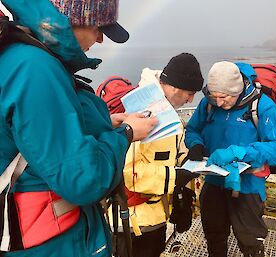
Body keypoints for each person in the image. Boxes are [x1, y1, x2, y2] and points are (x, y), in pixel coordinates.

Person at [0, 0, 158, 257]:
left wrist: (107, 121)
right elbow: (83, 180)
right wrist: (126, 134)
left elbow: (32, 137)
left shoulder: (19, 57)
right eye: (99, 27)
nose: (100, 39)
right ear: (73, 16)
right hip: (53, 246)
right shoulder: (36, 67)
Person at [184, 61, 276, 257]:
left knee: (250, 241)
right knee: (214, 235)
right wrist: (195, 144)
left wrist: (241, 152)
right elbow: (193, 129)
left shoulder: (262, 106)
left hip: (248, 186)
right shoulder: (208, 104)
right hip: (213, 181)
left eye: (224, 97)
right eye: (214, 96)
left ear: (237, 90)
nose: (218, 103)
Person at [102, 53, 204, 257]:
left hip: (152, 217)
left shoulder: (165, 108)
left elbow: (164, 155)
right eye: (190, 93)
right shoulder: (143, 110)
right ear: (175, 86)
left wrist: (188, 161)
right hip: (132, 224)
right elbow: (129, 171)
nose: (192, 99)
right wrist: (176, 178)